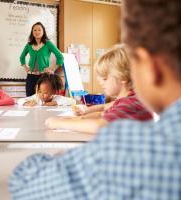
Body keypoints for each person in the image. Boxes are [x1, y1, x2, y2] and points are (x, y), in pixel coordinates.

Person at [9, 0, 181, 199]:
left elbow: (25, 185)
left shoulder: (127, 148)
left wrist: (70, 157)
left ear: (151, 67)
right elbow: (110, 106)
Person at [45, 45, 152, 133]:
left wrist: (60, 123)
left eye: (105, 78)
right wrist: (75, 119)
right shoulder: (129, 98)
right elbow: (103, 112)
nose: (100, 82)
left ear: (123, 77)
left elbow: (99, 126)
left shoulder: (131, 103)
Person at [20, 22, 64, 97]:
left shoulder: (48, 44)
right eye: (35, 30)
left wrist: (52, 70)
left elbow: (60, 56)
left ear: (43, 32)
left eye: (39, 30)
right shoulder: (29, 45)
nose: (37, 32)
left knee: (43, 98)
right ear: (32, 32)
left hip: (44, 77)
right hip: (31, 76)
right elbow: (22, 57)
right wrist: (25, 67)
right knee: (30, 98)